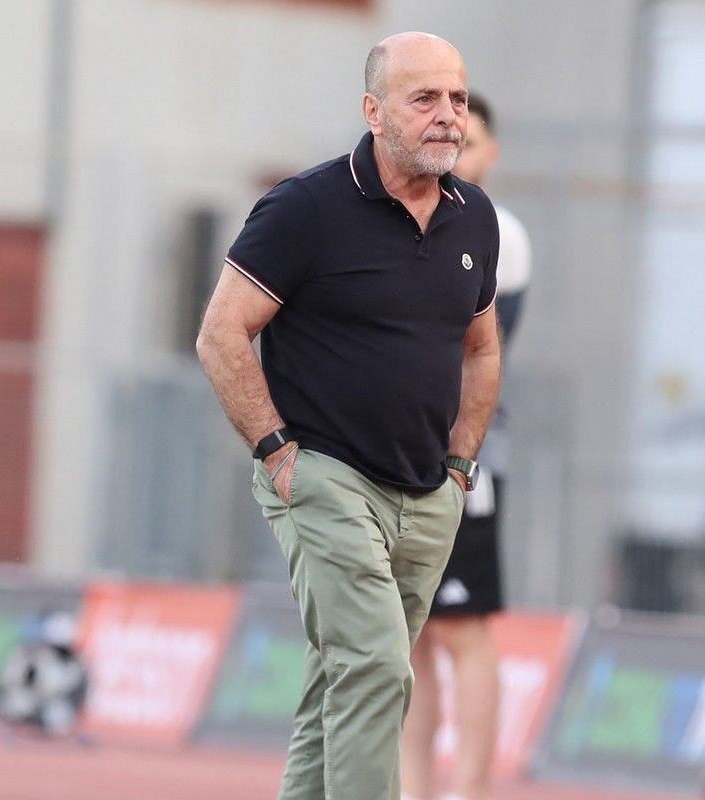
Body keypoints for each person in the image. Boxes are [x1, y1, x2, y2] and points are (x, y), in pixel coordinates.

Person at [196, 32, 501, 800]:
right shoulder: (307, 208)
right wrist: (276, 451)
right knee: (373, 666)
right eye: (424, 98)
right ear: (374, 110)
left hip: (427, 492)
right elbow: (221, 333)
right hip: (325, 476)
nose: (447, 115)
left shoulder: (475, 218)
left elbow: (482, 348)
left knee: (343, 678)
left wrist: (460, 465)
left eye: (457, 98)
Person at [401, 93, 532, 800]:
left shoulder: (498, 231)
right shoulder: (413, 221)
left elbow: (461, 345)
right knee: (412, 636)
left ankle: (471, 789)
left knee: (461, 628)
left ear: (490, 153)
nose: (456, 149)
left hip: (461, 455)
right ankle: (411, 787)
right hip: (395, 451)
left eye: (470, 140)